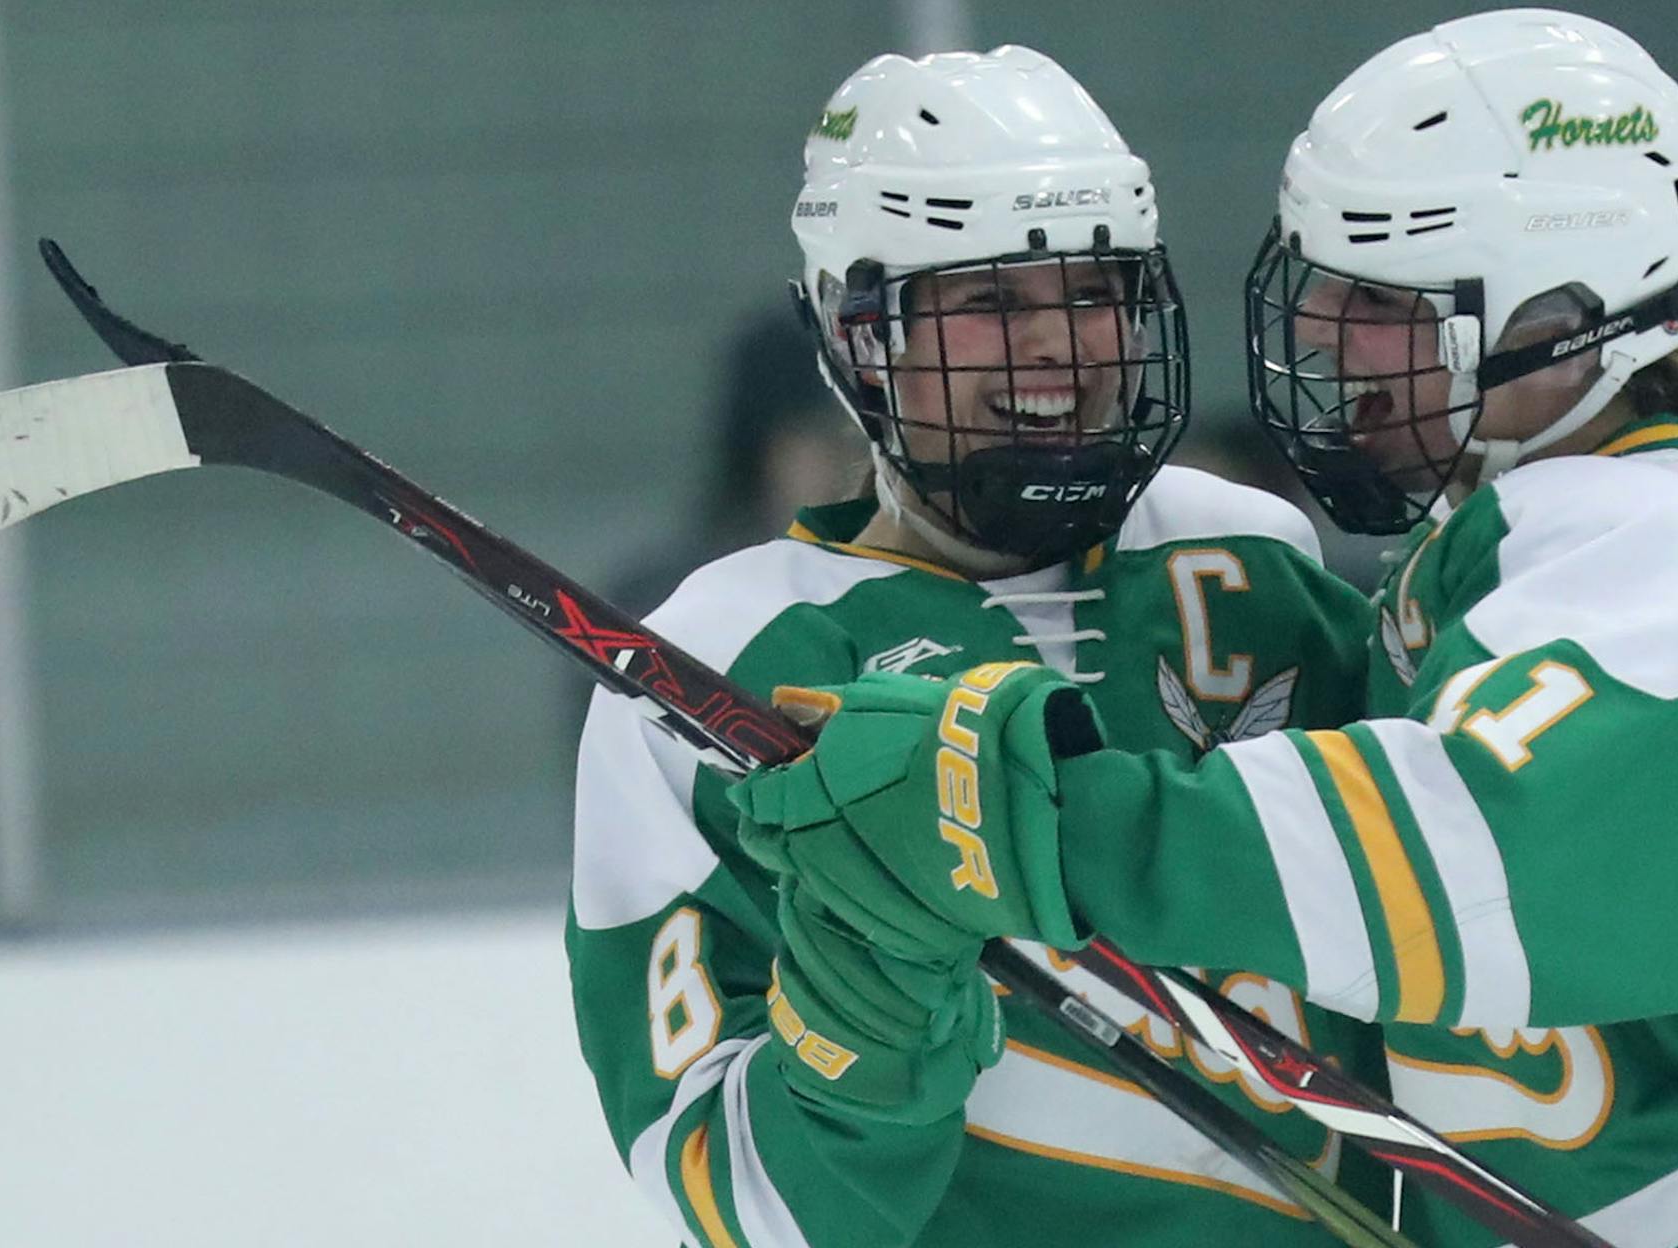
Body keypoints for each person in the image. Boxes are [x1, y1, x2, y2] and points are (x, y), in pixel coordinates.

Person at [731, 12, 1678, 1247]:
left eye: (1389, 302)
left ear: (1558, 319)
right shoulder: (1501, 550)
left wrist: (1030, 819)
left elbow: (1464, 844)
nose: (1334, 344)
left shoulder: (1670, 550)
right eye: (1332, 290)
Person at [567, 45, 1390, 1248]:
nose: (1062, 344)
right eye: (993, 301)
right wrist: (873, 993)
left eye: (1096, 290)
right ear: (858, 337)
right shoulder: (718, 662)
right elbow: (745, 1202)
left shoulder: (1257, 556)